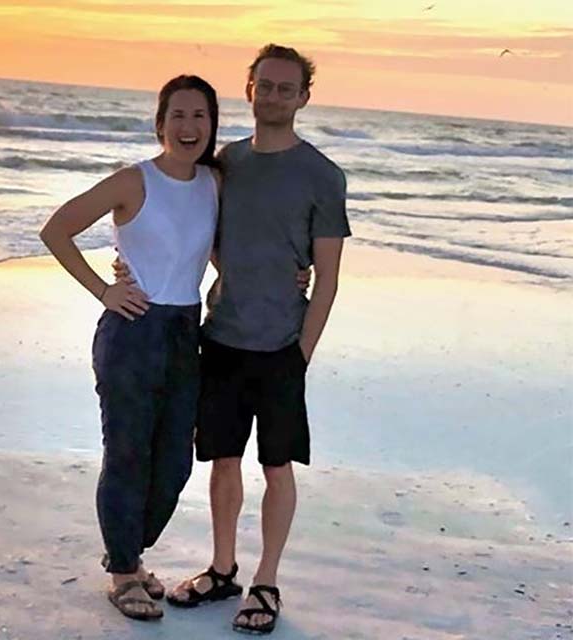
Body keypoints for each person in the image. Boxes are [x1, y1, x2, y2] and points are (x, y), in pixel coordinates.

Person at [117, 44, 351, 634]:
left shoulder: (323, 175)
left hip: (282, 345)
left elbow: (327, 277)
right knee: (223, 460)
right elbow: (194, 233)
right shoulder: (226, 163)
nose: (273, 96)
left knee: (276, 465)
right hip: (221, 335)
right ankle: (223, 570)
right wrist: (131, 267)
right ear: (249, 89)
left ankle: (265, 583)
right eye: (264, 85)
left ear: (303, 97)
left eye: (285, 88)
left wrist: (302, 353)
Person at [39, 75, 222, 621]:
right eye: (178, 115)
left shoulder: (214, 182)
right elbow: (56, 230)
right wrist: (104, 290)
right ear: (159, 124)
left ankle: (127, 551)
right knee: (126, 453)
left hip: (185, 332)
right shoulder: (133, 181)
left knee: (175, 461)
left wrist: (286, 276)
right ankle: (124, 571)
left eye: (200, 116)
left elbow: (216, 251)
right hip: (133, 330)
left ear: (212, 125)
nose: (188, 126)